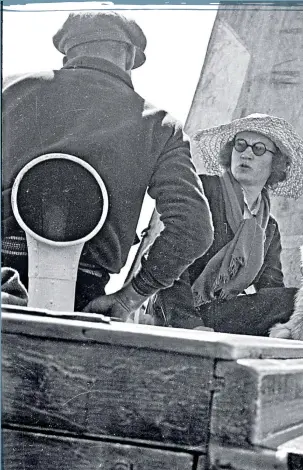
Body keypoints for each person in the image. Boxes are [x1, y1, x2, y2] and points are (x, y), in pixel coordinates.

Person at [2, 11, 213, 320]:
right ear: (128, 55)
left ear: (68, 50)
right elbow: (194, 229)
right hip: (84, 300)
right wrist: (130, 297)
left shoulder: (8, 91)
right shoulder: (160, 125)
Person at [151, 113, 303, 336]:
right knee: (291, 301)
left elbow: (270, 289)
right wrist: (189, 324)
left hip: (223, 312)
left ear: (276, 164)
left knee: (294, 301)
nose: (246, 153)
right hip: (177, 311)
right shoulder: (204, 191)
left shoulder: (268, 226)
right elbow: (167, 261)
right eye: (240, 145)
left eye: (258, 148)